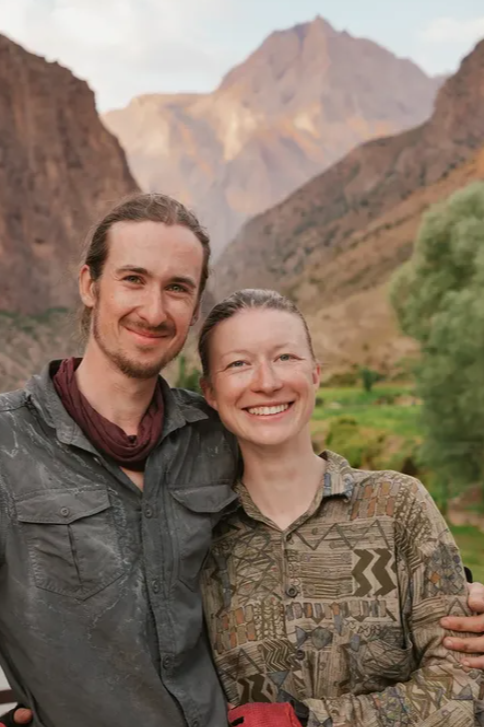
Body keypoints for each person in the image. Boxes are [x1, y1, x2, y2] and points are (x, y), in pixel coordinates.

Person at [0, 195, 483, 727]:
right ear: (89, 284)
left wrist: (458, 593)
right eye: (133, 279)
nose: (153, 309)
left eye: (177, 288)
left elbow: (329, 511)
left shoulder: (213, 437)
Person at [196, 288, 483, 727]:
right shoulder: (197, 538)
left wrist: (308, 721)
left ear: (315, 374)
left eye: (285, 357)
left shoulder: (397, 506)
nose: (267, 381)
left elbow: (462, 688)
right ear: (210, 391)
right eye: (238, 363)